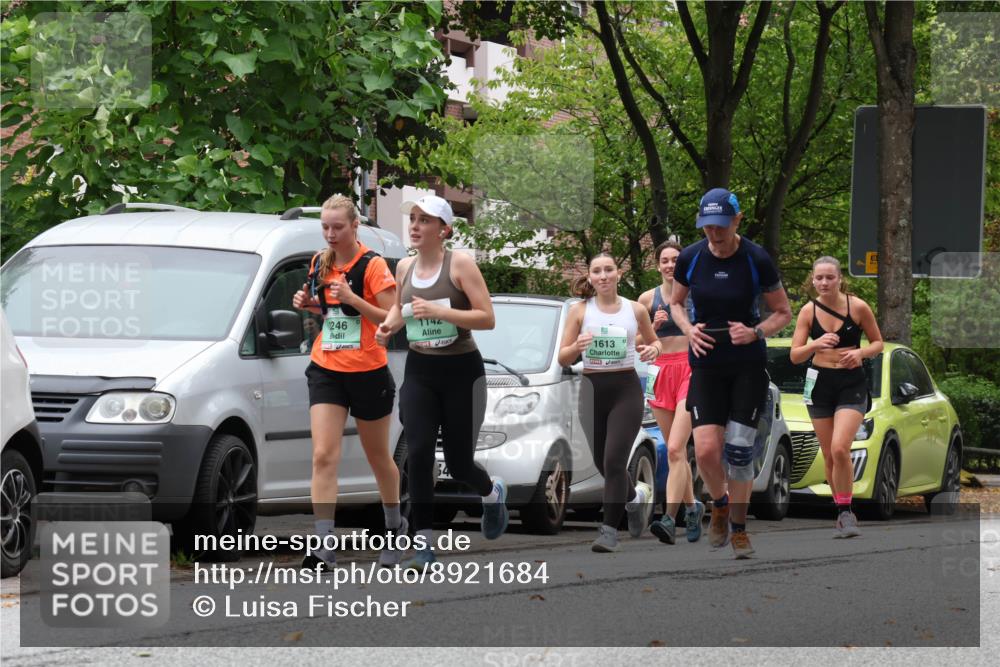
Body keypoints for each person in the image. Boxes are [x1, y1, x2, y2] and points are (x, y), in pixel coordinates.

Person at [375, 195, 508, 568]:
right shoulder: (404, 268)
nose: (415, 226)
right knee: (417, 453)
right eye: (413, 219)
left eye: (424, 220)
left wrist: (440, 310)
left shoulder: (460, 264)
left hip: (461, 371)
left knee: (459, 462)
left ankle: (491, 493)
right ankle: (423, 544)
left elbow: (487, 317)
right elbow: (399, 311)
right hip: (420, 370)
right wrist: (387, 328)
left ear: (444, 229)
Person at [670, 188, 792, 559]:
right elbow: (676, 303)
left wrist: (755, 332)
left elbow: (783, 312)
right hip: (706, 365)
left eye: (721, 225)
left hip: (746, 366)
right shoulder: (691, 257)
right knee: (707, 451)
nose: (714, 233)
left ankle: (739, 529)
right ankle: (720, 504)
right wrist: (689, 330)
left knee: (739, 450)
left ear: (737, 220)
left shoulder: (756, 258)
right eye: (707, 226)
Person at [292, 194, 404, 570]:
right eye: (325, 227)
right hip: (327, 368)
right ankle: (323, 546)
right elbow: (330, 312)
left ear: (355, 226)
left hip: (368, 371)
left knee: (378, 457)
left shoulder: (373, 265)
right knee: (323, 455)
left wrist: (354, 298)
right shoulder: (319, 262)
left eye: (337, 227)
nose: (330, 234)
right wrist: (308, 304)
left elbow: (391, 317)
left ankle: (393, 527)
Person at [557, 253, 662, 553]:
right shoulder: (579, 311)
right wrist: (576, 347)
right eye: (597, 271)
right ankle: (634, 497)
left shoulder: (635, 309)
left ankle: (608, 532)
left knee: (615, 461)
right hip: (591, 391)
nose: (603, 276)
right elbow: (563, 357)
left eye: (608, 270)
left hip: (625, 390)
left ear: (618, 273)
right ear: (590, 277)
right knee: (604, 465)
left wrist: (653, 350)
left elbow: (655, 341)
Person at [790, 256, 883, 538]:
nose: (824, 282)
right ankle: (842, 510)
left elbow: (878, 343)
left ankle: (846, 512)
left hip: (850, 383)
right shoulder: (808, 311)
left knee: (841, 448)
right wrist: (815, 344)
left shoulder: (858, 307)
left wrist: (860, 353)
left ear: (840, 279)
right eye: (819, 278)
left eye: (830, 277)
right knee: (830, 454)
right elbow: (795, 355)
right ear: (813, 279)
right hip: (820, 384)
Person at [639, 241, 706, 545]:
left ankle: (668, 518)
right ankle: (693, 508)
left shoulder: (697, 294)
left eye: (675, 260)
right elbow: (635, 340)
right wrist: (652, 327)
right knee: (674, 451)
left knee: (677, 447)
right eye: (664, 260)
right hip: (660, 372)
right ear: (658, 265)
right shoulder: (647, 299)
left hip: (691, 370)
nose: (669, 265)